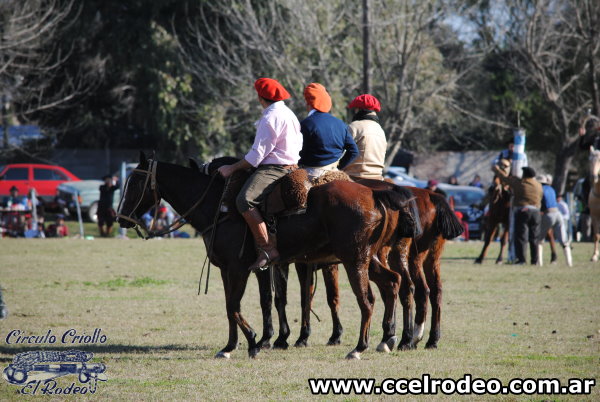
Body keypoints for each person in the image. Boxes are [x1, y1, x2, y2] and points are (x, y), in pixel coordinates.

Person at [218, 78, 302, 271]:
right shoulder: (289, 113)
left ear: (260, 97)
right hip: (292, 166)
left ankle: (267, 249)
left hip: (274, 169)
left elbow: (256, 156)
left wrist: (231, 168)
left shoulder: (270, 117)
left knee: (244, 200)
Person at [298, 83, 358, 179]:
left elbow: (298, 152)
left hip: (311, 174)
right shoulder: (341, 124)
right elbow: (354, 151)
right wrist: (339, 167)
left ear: (308, 103)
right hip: (334, 173)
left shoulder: (305, 124)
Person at [492, 164, 543, 265]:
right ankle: (535, 261)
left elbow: (505, 179)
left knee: (521, 237)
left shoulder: (520, 183)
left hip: (523, 211)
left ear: (524, 175)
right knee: (534, 238)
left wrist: (497, 170)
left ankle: (522, 260)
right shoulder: (538, 185)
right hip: (536, 212)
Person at [342, 94, 387, 180]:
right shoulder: (380, 130)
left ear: (358, 109)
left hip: (354, 176)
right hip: (378, 177)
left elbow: (342, 153)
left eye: (354, 109)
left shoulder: (354, 126)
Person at [537, 174, 572, 266]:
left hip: (548, 214)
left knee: (539, 239)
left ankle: (539, 263)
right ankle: (569, 262)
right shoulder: (551, 189)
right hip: (558, 214)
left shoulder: (540, 189)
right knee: (564, 240)